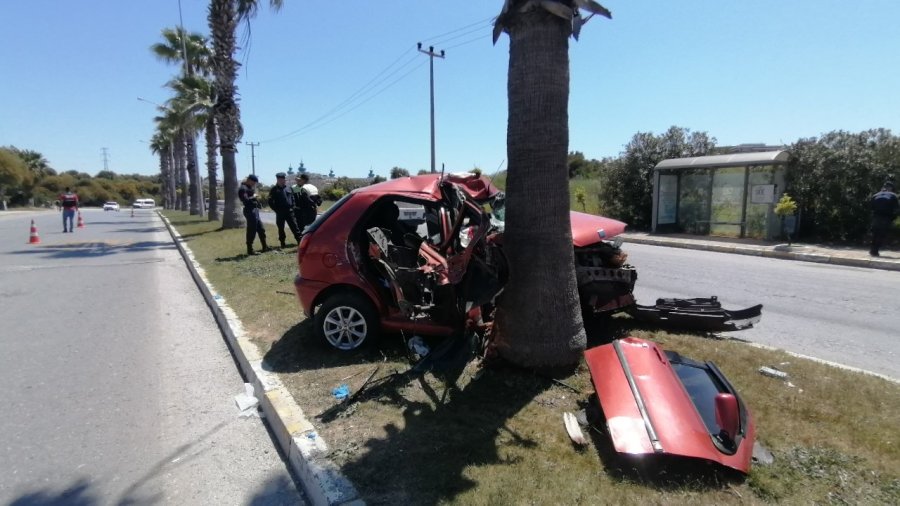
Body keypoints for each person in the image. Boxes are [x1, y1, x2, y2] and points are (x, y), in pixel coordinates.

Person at [267, 172, 301, 248]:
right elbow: (270, 201)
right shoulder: (274, 190)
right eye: (281, 179)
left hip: (289, 211)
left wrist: (293, 206)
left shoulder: (288, 188)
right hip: (280, 212)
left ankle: (299, 241)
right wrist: (276, 210)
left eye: (283, 179)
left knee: (295, 227)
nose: (283, 180)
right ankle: (282, 243)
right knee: (281, 228)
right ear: (278, 179)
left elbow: (292, 198)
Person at [238, 174, 269, 255]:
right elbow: (245, 199)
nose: (254, 184)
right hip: (249, 210)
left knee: (261, 229)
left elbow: (252, 198)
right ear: (249, 180)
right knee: (251, 230)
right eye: (253, 182)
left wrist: (258, 203)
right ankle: (250, 250)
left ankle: (265, 246)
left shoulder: (249, 188)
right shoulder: (243, 188)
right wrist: (253, 196)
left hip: (254, 210)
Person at [870, 179, 899, 257]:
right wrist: (892, 219)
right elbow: (896, 210)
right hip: (886, 218)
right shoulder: (893, 195)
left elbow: (871, 207)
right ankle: (875, 251)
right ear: (891, 188)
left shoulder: (875, 195)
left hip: (876, 218)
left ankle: (873, 251)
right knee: (881, 234)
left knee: (875, 234)